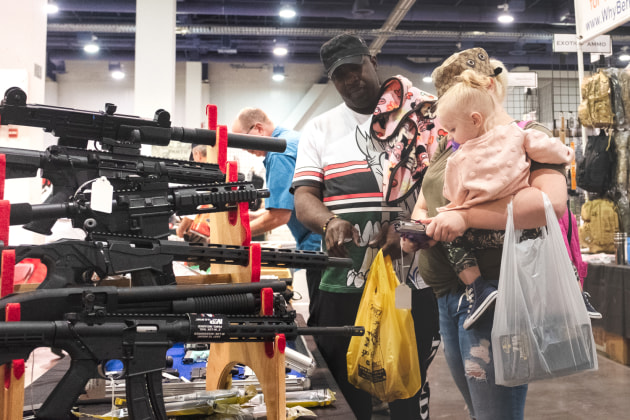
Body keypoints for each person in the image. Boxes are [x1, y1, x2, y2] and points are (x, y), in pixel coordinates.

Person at [402, 47, 569, 420]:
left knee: (495, 411)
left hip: (496, 292)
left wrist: (465, 218)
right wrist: (421, 224)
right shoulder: (452, 141)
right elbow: (429, 196)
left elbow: (548, 204)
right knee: (479, 406)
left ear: (487, 87)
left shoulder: (525, 136)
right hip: (447, 293)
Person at [292, 32, 441, 420]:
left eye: (355, 68)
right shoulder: (320, 129)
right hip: (343, 282)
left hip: (408, 282)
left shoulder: (420, 117)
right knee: (345, 385)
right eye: (339, 75)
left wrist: (407, 226)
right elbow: (304, 197)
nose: (350, 80)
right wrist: (329, 220)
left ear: (372, 61)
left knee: (409, 378)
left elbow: (446, 190)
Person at [431, 68, 574, 329]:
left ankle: (476, 285)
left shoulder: (461, 154)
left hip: (506, 264)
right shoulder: (519, 136)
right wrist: (565, 153)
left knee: (456, 240)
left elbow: (452, 194)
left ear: (474, 118)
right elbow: (548, 148)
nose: (451, 136)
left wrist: (458, 212)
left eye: (452, 129)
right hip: (453, 283)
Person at [231, 108, 323, 323]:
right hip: (318, 236)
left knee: (315, 315)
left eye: (246, 143)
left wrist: (234, 236)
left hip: (316, 240)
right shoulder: (292, 140)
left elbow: (279, 216)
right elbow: (286, 205)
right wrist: (249, 217)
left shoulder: (279, 152)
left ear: (259, 128)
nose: (246, 150)